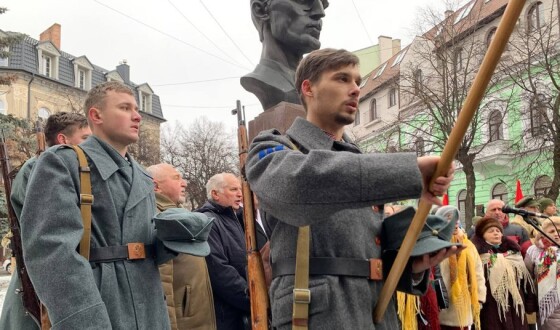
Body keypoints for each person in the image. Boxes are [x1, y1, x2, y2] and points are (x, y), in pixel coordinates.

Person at [245, 48, 460, 329]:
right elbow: (299, 187)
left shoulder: (359, 162)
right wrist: (409, 172)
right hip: (317, 316)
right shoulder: (273, 149)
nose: (356, 89)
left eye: (358, 81)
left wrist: (411, 266)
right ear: (308, 88)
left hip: (376, 314)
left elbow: (364, 251)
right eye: (342, 79)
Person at [18, 81, 170, 329]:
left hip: (150, 311)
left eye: (137, 109)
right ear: (96, 115)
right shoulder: (63, 163)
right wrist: (84, 321)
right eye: (125, 107)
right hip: (99, 306)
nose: (137, 117)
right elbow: (51, 251)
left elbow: (145, 247)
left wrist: (173, 238)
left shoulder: (142, 177)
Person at [0, 111, 91, 330]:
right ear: (63, 140)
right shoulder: (42, 167)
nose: (92, 145)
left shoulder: (73, 169)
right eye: (86, 138)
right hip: (39, 280)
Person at [146, 163, 216, 330]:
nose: (184, 183)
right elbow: (163, 285)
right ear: (156, 186)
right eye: (176, 178)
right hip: (183, 323)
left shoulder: (176, 213)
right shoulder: (160, 218)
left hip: (194, 319)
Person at [241, 0, 329, 110]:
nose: (320, 12)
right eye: (302, 1)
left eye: (323, 4)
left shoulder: (318, 88)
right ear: (261, 10)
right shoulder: (265, 82)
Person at [196, 173, 250, 330]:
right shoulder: (207, 221)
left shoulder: (241, 219)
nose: (240, 194)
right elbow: (220, 271)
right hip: (227, 315)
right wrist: (252, 299)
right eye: (233, 189)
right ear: (215, 194)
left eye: (240, 189)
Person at [471, 216, 536, 330]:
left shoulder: (514, 255)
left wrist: (530, 305)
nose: (496, 233)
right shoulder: (478, 257)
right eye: (491, 231)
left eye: (498, 231)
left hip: (515, 306)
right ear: (482, 235)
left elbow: (526, 282)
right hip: (491, 306)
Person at [435, 206, 486, 330]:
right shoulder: (435, 244)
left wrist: (479, 298)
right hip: (441, 308)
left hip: (463, 307)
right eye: (448, 218)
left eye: (455, 219)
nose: (453, 222)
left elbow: (478, 273)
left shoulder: (468, 245)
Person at [524, 216, 560, 330]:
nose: (556, 234)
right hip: (547, 306)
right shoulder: (534, 251)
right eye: (552, 231)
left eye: (559, 231)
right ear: (543, 233)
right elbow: (527, 277)